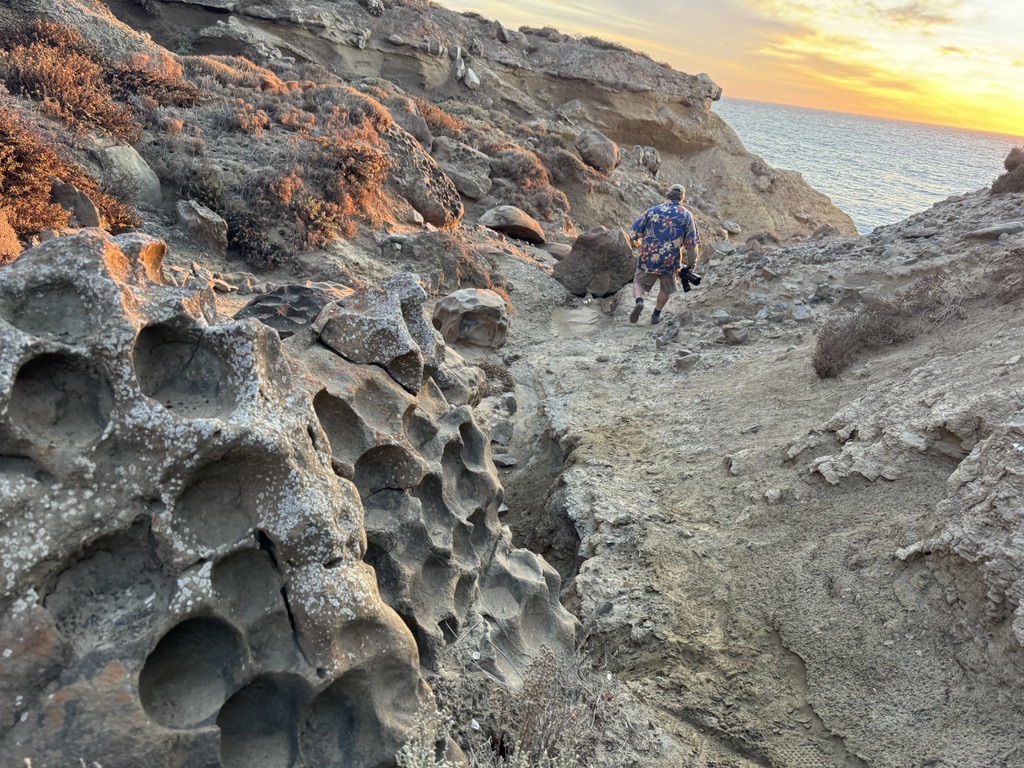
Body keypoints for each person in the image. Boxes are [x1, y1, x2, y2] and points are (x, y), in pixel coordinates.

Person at [627, 183, 701, 325]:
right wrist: (692, 264)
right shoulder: (686, 215)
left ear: (666, 195)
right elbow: (691, 245)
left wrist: (635, 244)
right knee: (666, 289)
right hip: (670, 260)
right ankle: (656, 314)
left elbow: (633, 232)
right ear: (682, 198)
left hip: (648, 256)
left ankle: (639, 301)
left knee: (638, 281)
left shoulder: (652, 211)